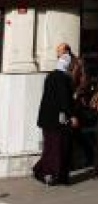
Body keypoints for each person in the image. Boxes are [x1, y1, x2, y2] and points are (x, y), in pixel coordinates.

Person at [33, 48, 77, 186]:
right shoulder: (64, 78)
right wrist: (72, 115)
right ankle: (54, 175)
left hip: (48, 120)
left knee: (50, 147)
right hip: (58, 121)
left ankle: (47, 173)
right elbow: (64, 100)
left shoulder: (50, 76)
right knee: (59, 148)